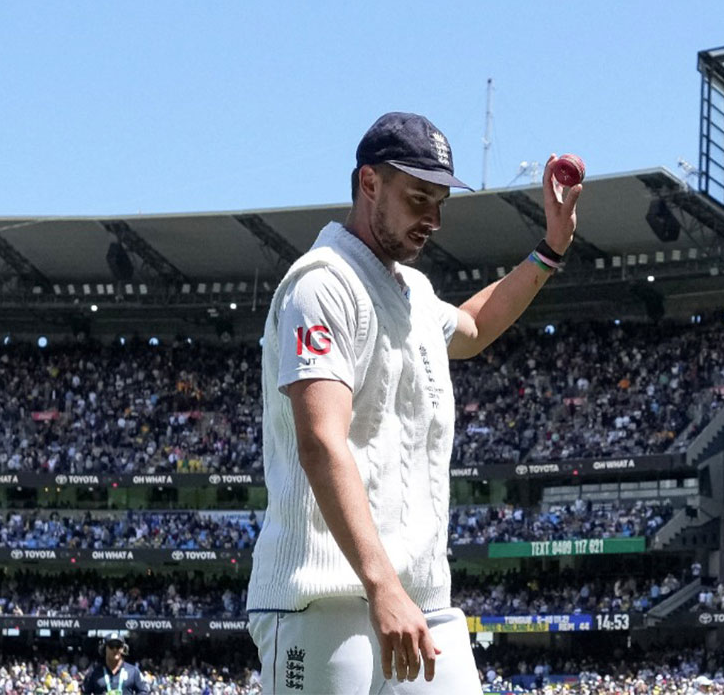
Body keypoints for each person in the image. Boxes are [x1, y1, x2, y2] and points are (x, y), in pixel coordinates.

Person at [247, 112, 581, 695]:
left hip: (423, 600)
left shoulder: (413, 291)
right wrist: (380, 585)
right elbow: (321, 440)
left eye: (440, 202)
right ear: (368, 183)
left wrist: (550, 248)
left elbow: (475, 327)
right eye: (418, 198)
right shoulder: (322, 284)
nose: (433, 219)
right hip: (321, 602)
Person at [81, 636, 147, 693]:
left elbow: (143, 691)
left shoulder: (133, 671)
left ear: (123, 649)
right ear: (104, 648)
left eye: (118, 646)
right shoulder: (93, 673)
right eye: (111, 646)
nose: (115, 649)